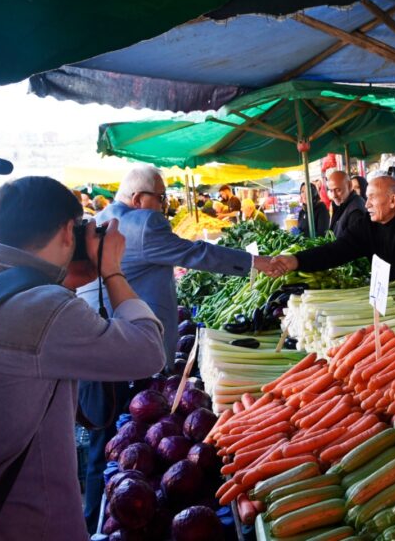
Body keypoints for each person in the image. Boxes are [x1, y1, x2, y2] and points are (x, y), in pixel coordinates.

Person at [0, 171, 165, 540]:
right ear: (67, 231)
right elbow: (148, 350)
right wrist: (111, 270)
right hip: (32, 522)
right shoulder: (45, 309)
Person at [77, 165, 276, 531]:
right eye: (161, 199)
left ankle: (95, 521)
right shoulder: (143, 224)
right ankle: (95, 522)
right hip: (128, 352)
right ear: (139, 199)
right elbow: (197, 254)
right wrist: (255, 263)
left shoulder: (103, 219)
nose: (165, 208)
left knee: (106, 443)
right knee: (112, 440)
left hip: (98, 348)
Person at [271, 174, 395, 285]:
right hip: (393, 304)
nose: (367, 204)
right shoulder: (367, 225)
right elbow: (336, 251)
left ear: (393, 200)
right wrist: (296, 260)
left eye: (372, 197)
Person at [327, 170, 367, 237]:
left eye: (338, 190)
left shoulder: (356, 211)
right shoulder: (343, 204)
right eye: (331, 190)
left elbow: (352, 244)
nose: (334, 195)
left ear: (350, 186)